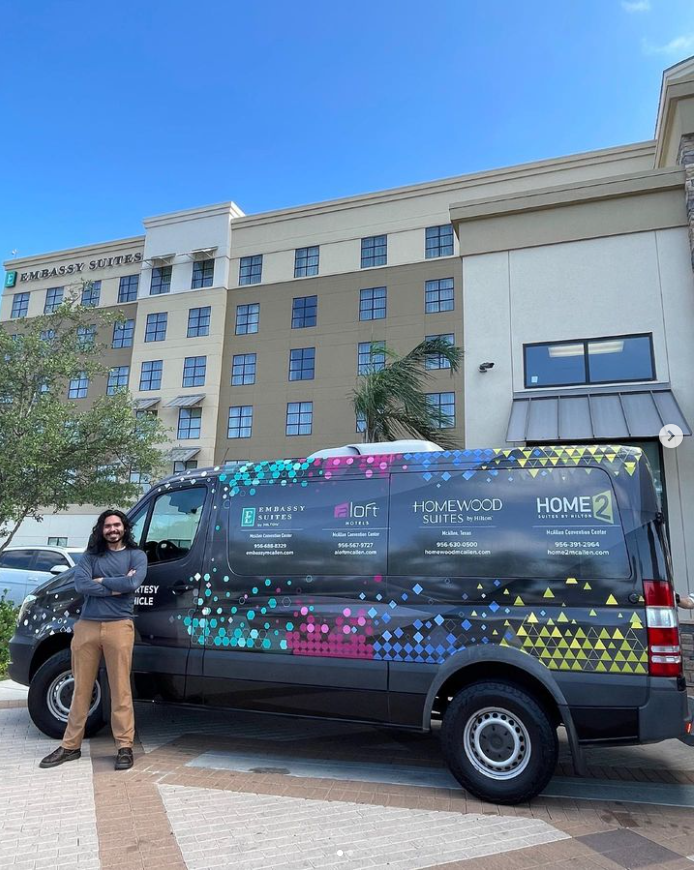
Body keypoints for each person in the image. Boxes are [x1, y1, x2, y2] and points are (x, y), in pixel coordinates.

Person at [39, 509, 147, 771]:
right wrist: (115, 586)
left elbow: (133, 584)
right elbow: (81, 585)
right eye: (107, 526)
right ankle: (70, 746)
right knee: (81, 689)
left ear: (124, 528)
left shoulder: (137, 555)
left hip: (119, 626)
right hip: (87, 626)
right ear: (101, 529)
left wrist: (102, 581)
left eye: (117, 525)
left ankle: (124, 747)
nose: (112, 529)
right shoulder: (90, 556)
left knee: (121, 689)